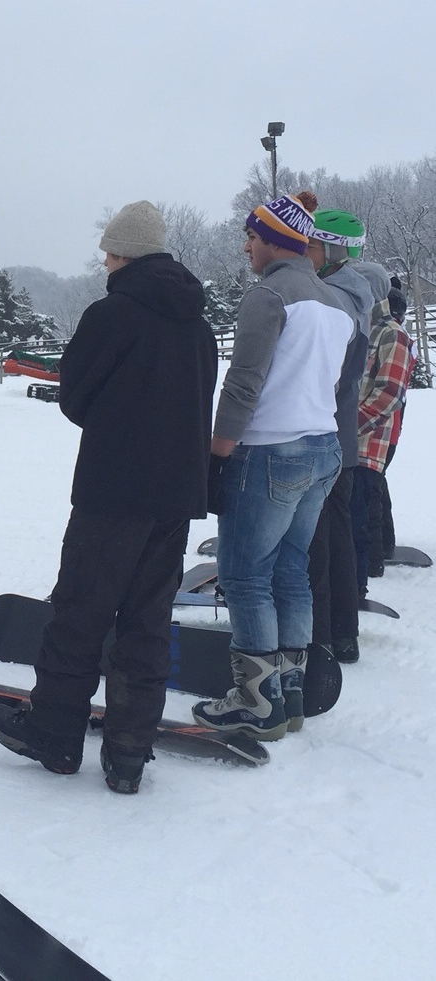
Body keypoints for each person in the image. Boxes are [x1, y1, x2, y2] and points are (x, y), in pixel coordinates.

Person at [0, 201, 218, 793]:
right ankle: (130, 750)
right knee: (148, 619)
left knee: (82, 610)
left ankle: (57, 735)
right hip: (175, 496)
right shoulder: (198, 325)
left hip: (113, 489)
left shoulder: (111, 314)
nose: (105, 263)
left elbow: (74, 396)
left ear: (123, 255)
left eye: (108, 253)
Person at [193, 192, 353, 740]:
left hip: (268, 451)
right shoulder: (337, 304)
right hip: (323, 448)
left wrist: (217, 456)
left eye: (253, 238)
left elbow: (243, 384)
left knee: (245, 576)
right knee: (291, 573)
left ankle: (254, 702)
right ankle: (288, 694)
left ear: (276, 243)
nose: (246, 247)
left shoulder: (268, 297)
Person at [302, 209, 372, 668]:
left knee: (317, 542)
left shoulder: (332, 300)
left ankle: (321, 636)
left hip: (324, 434)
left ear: (330, 251)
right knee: (337, 536)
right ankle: (343, 633)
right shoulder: (355, 293)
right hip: (342, 438)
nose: (300, 254)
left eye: (308, 246)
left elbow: (327, 378)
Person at [351, 282, 413, 611]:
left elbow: (389, 395)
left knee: (361, 515)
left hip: (365, 444)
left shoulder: (391, 333)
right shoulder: (355, 325)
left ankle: (360, 584)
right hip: (339, 445)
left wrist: (347, 428)